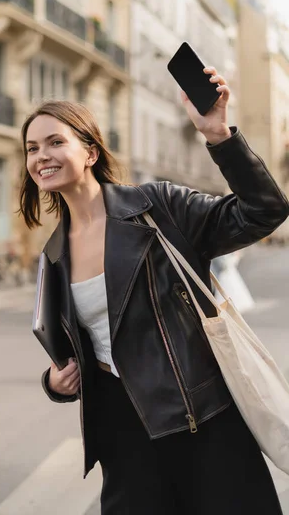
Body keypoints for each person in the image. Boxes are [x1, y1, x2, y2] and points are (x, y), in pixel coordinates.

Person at [19, 67, 289, 515]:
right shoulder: (53, 256)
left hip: (202, 422)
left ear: (89, 151)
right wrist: (55, 382)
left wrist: (219, 136)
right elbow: (85, 349)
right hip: (125, 439)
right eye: (31, 148)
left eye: (54, 142)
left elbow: (264, 211)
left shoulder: (156, 207)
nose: (40, 156)